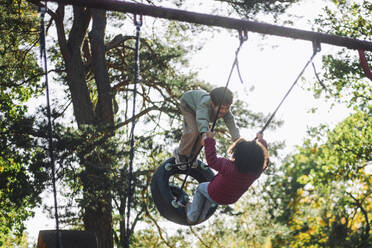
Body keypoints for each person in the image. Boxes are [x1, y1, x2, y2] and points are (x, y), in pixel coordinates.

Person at [185, 131, 269, 224]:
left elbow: (212, 160)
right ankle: (202, 216)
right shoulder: (255, 172)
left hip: (215, 191)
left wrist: (209, 140)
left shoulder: (229, 166)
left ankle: (192, 216)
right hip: (230, 199)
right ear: (259, 160)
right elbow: (266, 161)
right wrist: (261, 141)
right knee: (210, 197)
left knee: (200, 188)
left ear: (238, 154)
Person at [173, 87, 240, 167]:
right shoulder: (204, 104)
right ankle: (181, 153)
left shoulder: (226, 112)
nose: (224, 111)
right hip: (189, 107)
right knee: (194, 131)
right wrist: (204, 133)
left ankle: (192, 155)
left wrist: (237, 139)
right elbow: (202, 118)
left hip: (202, 115)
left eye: (227, 108)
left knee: (206, 136)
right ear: (212, 103)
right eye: (221, 108)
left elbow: (231, 124)